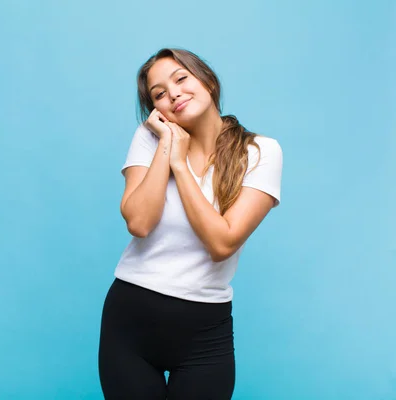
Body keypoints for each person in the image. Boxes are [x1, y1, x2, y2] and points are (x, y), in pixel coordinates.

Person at [98, 48, 283, 399]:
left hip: (204, 334)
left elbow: (222, 244)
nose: (173, 94)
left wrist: (181, 167)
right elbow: (139, 222)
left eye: (181, 79)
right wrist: (168, 145)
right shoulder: (149, 139)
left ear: (208, 82)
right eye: (159, 94)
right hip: (129, 324)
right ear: (156, 109)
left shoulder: (260, 152)